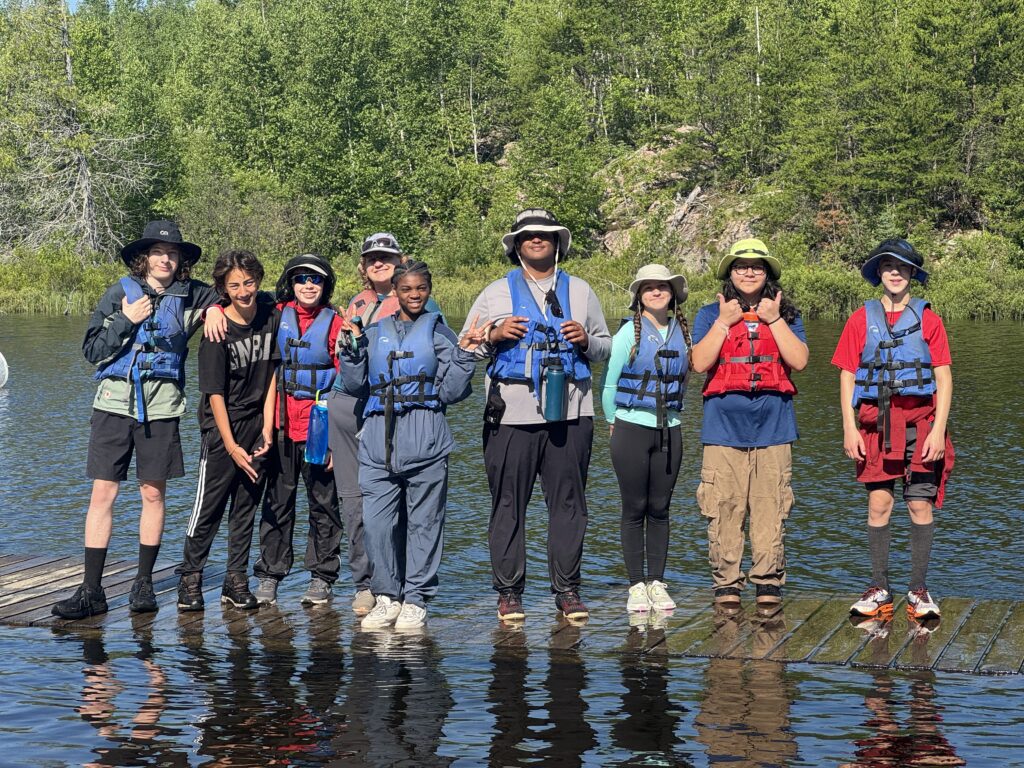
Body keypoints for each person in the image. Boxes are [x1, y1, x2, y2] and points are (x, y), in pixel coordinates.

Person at [53, 220, 220, 620]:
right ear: (144, 258)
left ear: (180, 261)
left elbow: (234, 295)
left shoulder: (193, 294)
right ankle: (91, 590)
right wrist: (126, 319)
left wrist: (215, 309)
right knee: (103, 494)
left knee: (152, 494)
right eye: (159, 251)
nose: (166, 258)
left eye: (173, 253)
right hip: (113, 404)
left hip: (162, 407)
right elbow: (92, 351)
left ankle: (143, 585)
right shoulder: (119, 293)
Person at [462, 208, 612, 621]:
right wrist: (493, 335)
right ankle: (509, 592)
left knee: (569, 504)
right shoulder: (494, 292)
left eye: (544, 234)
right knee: (508, 503)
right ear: (517, 245)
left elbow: (605, 347)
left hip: (572, 414)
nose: (536, 239)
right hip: (510, 415)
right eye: (527, 234)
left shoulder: (581, 291)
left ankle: (567, 589)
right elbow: (467, 347)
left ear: (557, 242)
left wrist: (585, 341)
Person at [338, 261, 485, 630]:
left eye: (421, 289)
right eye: (407, 289)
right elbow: (355, 386)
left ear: (429, 290)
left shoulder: (440, 335)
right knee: (376, 525)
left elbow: (452, 392)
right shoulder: (370, 333)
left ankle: (416, 598)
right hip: (376, 441)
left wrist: (465, 354)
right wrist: (352, 349)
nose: (415, 295)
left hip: (427, 439)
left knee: (424, 524)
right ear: (396, 293)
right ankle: (387, 595)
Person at [832, 239, 953, 622]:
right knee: (879, 504)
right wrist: (849, 427)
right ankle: (879, 588)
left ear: (913, 273)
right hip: (875, 425)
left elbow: (944, 379)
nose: (895, 272)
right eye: (887, 266)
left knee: (919, 503)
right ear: (879, 274)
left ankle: (918, 590)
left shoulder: (929, 319)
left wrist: (938, 432)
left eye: (902, 267)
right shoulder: (859, 318)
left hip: (921, 424)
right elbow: (847, 375)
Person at [326, 232, 443, 617]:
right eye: (372, 258)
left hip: (408, 420)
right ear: (363, 265)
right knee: (361, 505)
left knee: (412, 512)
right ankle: (372, 586)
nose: (379, 262)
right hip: (356, 410)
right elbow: (351, 368)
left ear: (399, 262)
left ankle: (412, 593)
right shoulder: (358, 304)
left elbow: (443, 372)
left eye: (387, 257)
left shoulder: (422, 303)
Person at [691, 238, 808, 610]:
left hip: (774, 427)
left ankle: (767, 580)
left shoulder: (786, 314)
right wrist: (725, 323)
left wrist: (773, 319)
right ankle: (726, 581)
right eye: (741, 265)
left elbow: (800, 361)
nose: (749, 271)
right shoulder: (710, 314)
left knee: (770, 507)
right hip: (722, 428)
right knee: (724, 507)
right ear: (729, 272)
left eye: (757, 265)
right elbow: (699, 363)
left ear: (769, 273)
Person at [176, 250, 279, 611]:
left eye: (249, 282)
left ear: (259, 281)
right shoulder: (216, 331)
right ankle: (190, 578)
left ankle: (235, 580)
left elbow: (272, 377)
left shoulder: (270, 316)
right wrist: (232, 446)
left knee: (247, 507)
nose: (244, 291)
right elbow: (214, 394)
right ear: (223, 288)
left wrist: (268, 427)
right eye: (234, 285)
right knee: (209, 507)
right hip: (223, 430)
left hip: (256, 425)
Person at [250, 254, 345, 607]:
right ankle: (270, 574)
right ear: (291, 283)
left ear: (325, 286)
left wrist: (338, 440)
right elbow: (231, 302)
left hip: (321, 426)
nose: (308, 285)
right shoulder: (276, 315)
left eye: (316, 280)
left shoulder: (336, 325)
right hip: (281, 424)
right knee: (277, 500)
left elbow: (347, 382)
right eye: (302, 278)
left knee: (323, 503)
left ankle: (322, 576)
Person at [602, 264, 692, 613]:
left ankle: (657, 581)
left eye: (663, 287)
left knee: (660, 509)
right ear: (639, 296)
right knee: (634, 508)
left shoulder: (682, 334)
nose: (657, 292)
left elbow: (683, 381)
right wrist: (613, 421)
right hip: (630, 428)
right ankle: (635, 585)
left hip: (670, 429)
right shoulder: (628, 333)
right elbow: (610, 384)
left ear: (672, 295)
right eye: (649, 288)